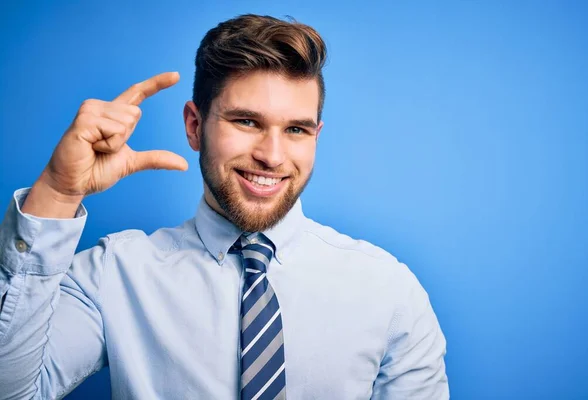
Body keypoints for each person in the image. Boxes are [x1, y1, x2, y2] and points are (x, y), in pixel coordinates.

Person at [0, 14, 448, 400]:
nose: (272, 156)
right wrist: (57, 194)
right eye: (247, 121)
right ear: (195, 126)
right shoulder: (113, 274)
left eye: (296, 130)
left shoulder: (388, 290)